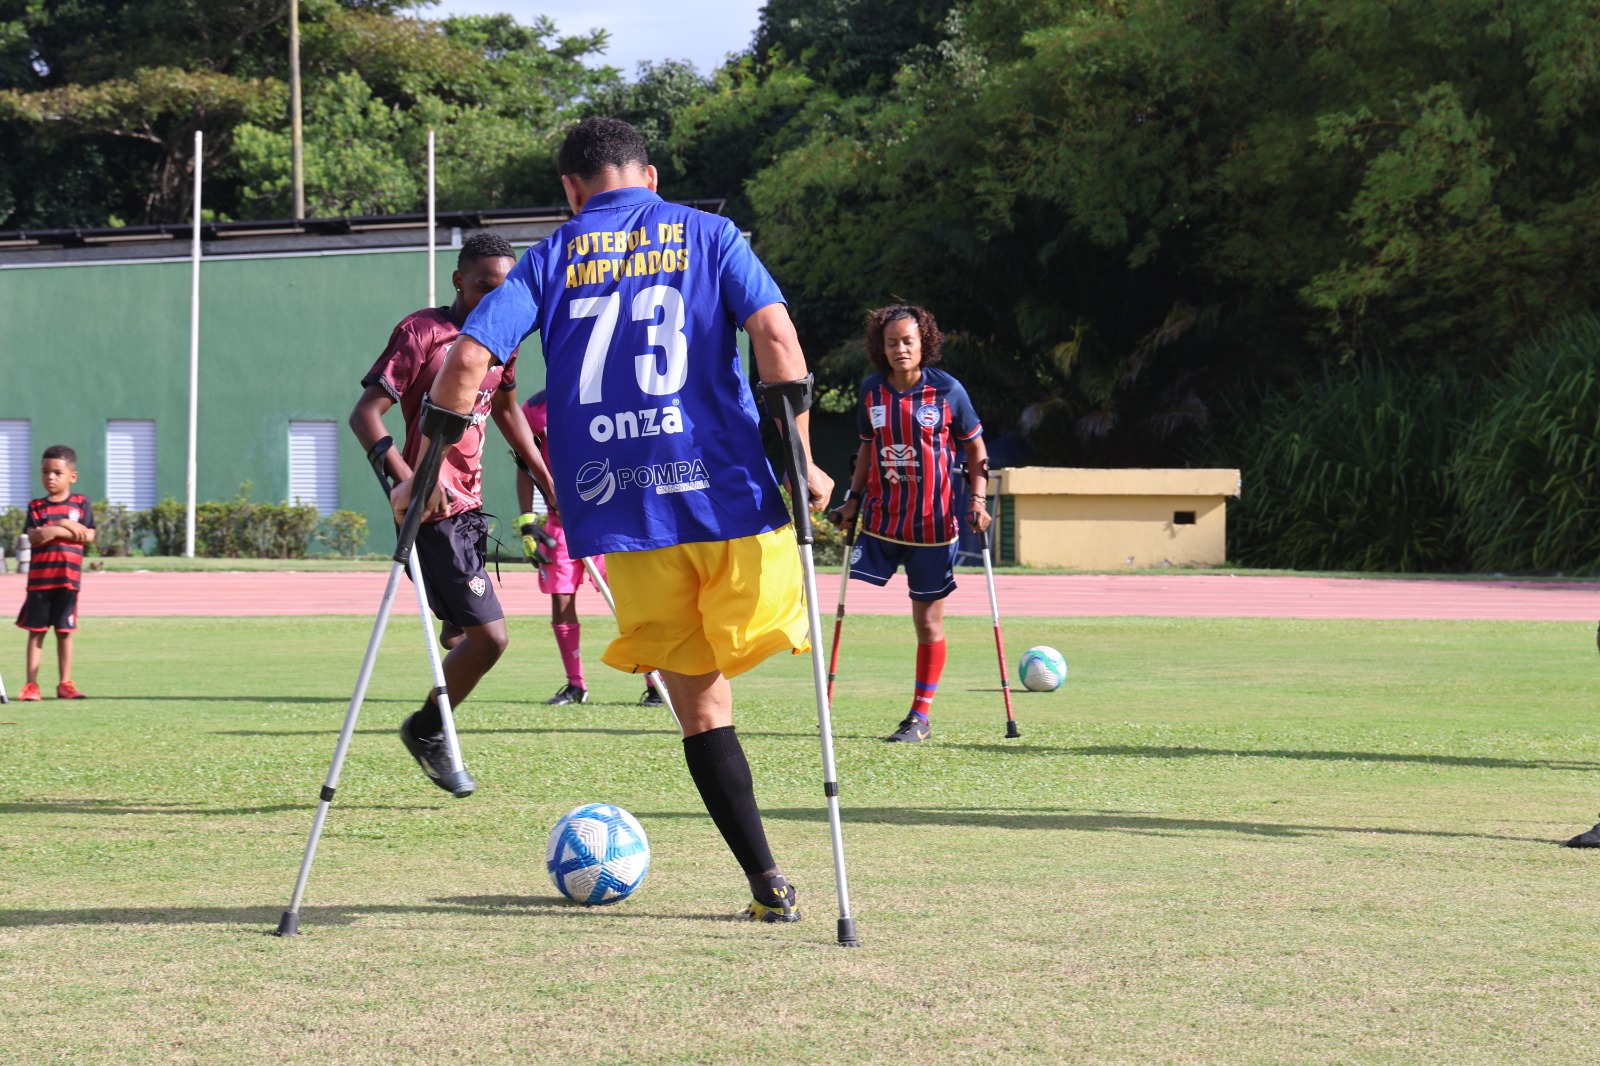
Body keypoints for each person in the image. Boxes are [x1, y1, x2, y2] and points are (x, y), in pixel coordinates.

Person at [392, 117, 834, 922]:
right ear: (651, 177)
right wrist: (801, 456)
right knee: (752, 658)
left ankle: (770, 885)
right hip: (728, 498)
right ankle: (771, 882)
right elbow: (774, 333)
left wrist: (422, 475)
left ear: (571, 190)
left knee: (702, 707)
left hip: (625, 515)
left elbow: (467, 360)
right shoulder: (711, 234)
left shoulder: (551, 255)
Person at [349, 230, 555, 797]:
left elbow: (507, 409)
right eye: (484, 286)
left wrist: (546, 481)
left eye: (505, 288)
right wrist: (409, 480)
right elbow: (365, 414)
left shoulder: (503, 336)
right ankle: (426, 730)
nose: (495, 297)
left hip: (470, 508)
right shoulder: (422, 332)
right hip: (431, 511)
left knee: (464, 634)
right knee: (491, 640)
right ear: (459, 281)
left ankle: (449, 650)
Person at [828, 304, 989, 743]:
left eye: (908, 341)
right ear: (880, 347)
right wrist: (852, 501)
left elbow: (976, 450)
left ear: (924, 344)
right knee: (845, 606)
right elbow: (866, 449)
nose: (900, 349)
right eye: (892, 342)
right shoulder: (871, 391)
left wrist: (977, 500)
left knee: (927, 621)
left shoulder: (948, 391)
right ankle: (830, 702)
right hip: (882, 522)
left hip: (933, 527)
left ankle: (920, 716)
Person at [517, 390, 664, 708]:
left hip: (608, 520)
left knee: (630, 600)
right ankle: (575, 685)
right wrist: (527, 520)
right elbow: (524, 462)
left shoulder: (607, 395)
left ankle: (656, 682)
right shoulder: (536, 408)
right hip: (560, 524)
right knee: (561, 600)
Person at [14, 445, 96, 701]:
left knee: (64, 632)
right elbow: (35, 536)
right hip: (40, 583)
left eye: (57, 473)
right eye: (45, 472)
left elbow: (88, 535)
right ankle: (31, 685)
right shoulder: (37, 507)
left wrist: (57, 529)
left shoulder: (81, 503)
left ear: (72, 476)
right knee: (36, 631)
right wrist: (64, 525)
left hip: (68, 581)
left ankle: (65, 684)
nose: (50, 477)